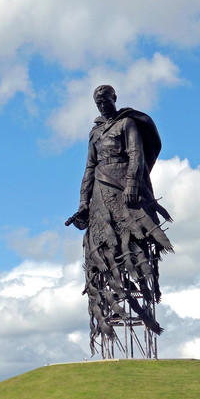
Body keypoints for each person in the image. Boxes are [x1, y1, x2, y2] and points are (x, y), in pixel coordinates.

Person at [66, 84, 172, 355]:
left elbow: (136, 155)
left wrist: (132, 185)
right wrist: (83, 203)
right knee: (104, 250)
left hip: (125, 189)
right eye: (98, 102)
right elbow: (89, 167)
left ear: (114, 99)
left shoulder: (127, 124)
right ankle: (112, 301)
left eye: (106, 100)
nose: (102, 105)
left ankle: (139, 295)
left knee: (133, 242)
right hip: (101, 194)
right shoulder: (95, 133)